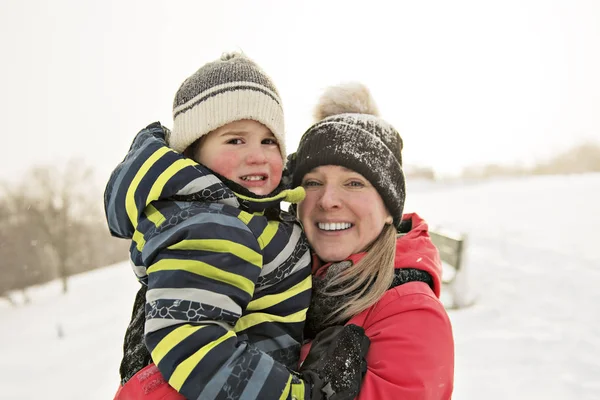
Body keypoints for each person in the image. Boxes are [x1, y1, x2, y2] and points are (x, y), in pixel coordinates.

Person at [104, 53, 370, 400]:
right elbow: (195, 348)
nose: (258, 155)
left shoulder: (246, 212)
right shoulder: (209, 225)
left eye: (269, 141)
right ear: (194, 154)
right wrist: (296, 395)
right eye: (235, 140)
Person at [289, 83, 455, 399]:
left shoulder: (414, 316)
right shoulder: (272, 275)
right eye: (313, 182)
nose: (328, 200)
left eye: (354, 182)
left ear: (389, 209)